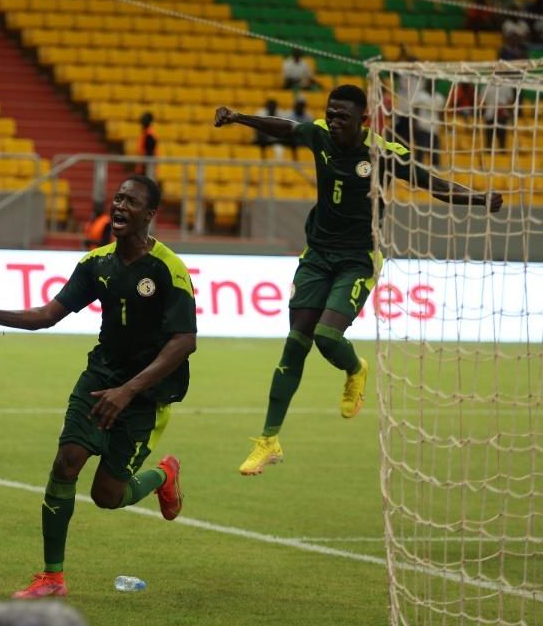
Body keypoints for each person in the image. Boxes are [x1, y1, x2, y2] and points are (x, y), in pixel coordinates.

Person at [213, 85, 503, 476]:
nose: (333, 121)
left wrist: (480, 198)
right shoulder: (319, 134)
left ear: (363, 120)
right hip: (316, 256)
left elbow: (433, 184)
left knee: (326, 337)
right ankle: (268, 440)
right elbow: (285, 128)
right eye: (330, 113)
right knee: (294, 344)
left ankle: (355, 369)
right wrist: (238, 117)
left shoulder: (383, 153)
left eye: (342, 116)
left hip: (357, 260)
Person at [0, 175, 195, 598]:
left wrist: (128, 391)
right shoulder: (96, 264)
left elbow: (184, 341)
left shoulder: (168, 269)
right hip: (100, 378)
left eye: (131, 202)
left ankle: (163, 474)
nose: (120, 206)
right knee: (66, 463)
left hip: (146, 393)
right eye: (118, 198)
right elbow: (48, 315)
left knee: (107, 495)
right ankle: (52, 577)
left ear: (149, 215)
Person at [136, 111, 158, 178]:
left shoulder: (149, 134)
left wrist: (144, 165)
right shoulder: (147, 133)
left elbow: (150, 151)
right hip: (144, 162)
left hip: (147, 163)